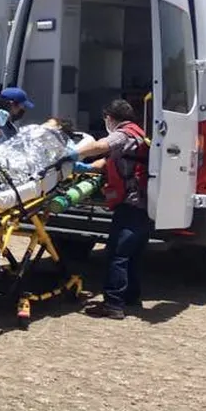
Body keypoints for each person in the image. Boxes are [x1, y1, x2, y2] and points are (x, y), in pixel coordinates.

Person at [68, 99, 151, 320]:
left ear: (111, 118)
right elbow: (106, 161)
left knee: (117, 254)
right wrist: (85, 167)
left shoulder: (123, 134)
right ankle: (131, 297)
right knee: (132, 255)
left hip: (131, 205)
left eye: (106, 118)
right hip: (142, 205)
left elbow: (102, 146)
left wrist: (74, 154)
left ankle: (113, 304)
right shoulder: (138, 135)